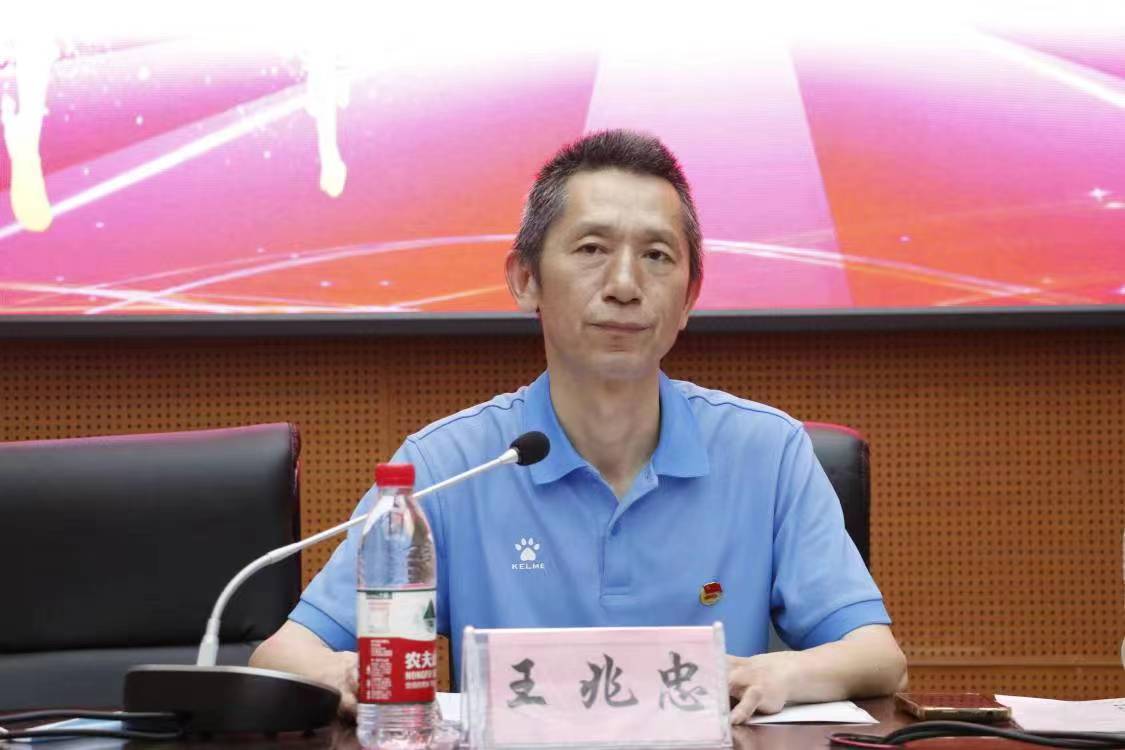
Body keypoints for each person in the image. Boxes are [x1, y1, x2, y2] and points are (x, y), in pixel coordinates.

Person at [251, 129, 908, 723]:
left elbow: (877, 655)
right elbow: (284, 653)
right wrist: (342, 674)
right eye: (592, 249)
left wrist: (782, 672)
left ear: (689, 298)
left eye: (657, 256)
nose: (624, 284)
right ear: (526, 279)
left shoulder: (766, 453)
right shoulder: (450, 465)